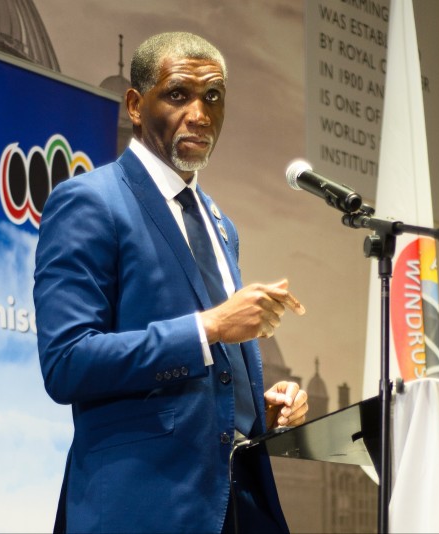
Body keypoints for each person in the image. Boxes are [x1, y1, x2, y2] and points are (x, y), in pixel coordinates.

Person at [34, 31, 309, 533]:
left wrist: (258, 409)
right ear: (136, 106)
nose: (200, 114)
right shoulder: (90, 201)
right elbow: (67, 362)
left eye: (213, 96)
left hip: (238, 507)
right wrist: (208, 327)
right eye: (179, 94)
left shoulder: (222, 226)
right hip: (142, 509)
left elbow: (208, 381)